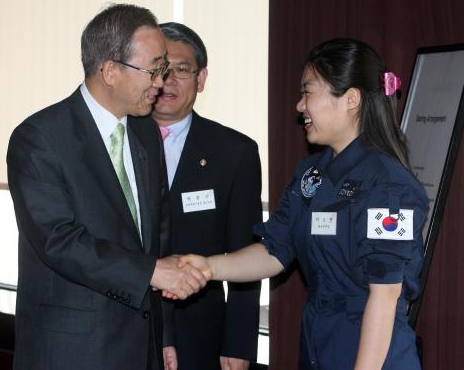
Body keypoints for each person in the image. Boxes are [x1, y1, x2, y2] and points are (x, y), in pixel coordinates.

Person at [178, 38, 429, 370]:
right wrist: (209, 267)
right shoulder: (312, 174)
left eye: (308, 92)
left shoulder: (389, 186)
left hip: (371, 356)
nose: (300, 106)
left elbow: (383, 297)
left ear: (350, 99)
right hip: (319, 345)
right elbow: (275, 250)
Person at [7, 4, 207, 370]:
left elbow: (156, 239)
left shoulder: (145, 132)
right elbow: (59, 240)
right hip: (72, 351)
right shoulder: (39, 138)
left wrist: (165, 336)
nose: (161, 82)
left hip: (141, 347)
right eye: (154, 69)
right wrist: (150, 272)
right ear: (111, 70)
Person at [152, 22, 262, 370]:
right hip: (123, 329)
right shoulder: (115, 143)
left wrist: (239, 342)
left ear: (201, 79)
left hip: (197, 333)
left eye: (181, 70)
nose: (168, 81)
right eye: (160, 69)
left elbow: (248, 251)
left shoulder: (235, 152)